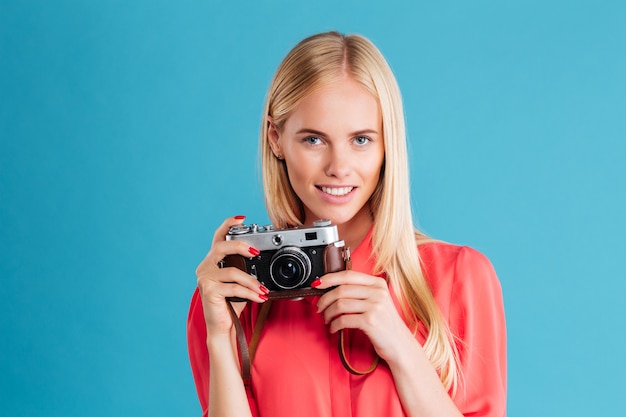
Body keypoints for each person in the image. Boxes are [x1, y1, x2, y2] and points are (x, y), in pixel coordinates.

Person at [188, 31, 506, 417]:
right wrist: (220, 339)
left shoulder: (461, 278)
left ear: (387, 143)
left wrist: (401, 346)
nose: (339, 168)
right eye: (313, 140)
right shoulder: (235, 295)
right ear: (276, 139)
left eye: (361, 139)